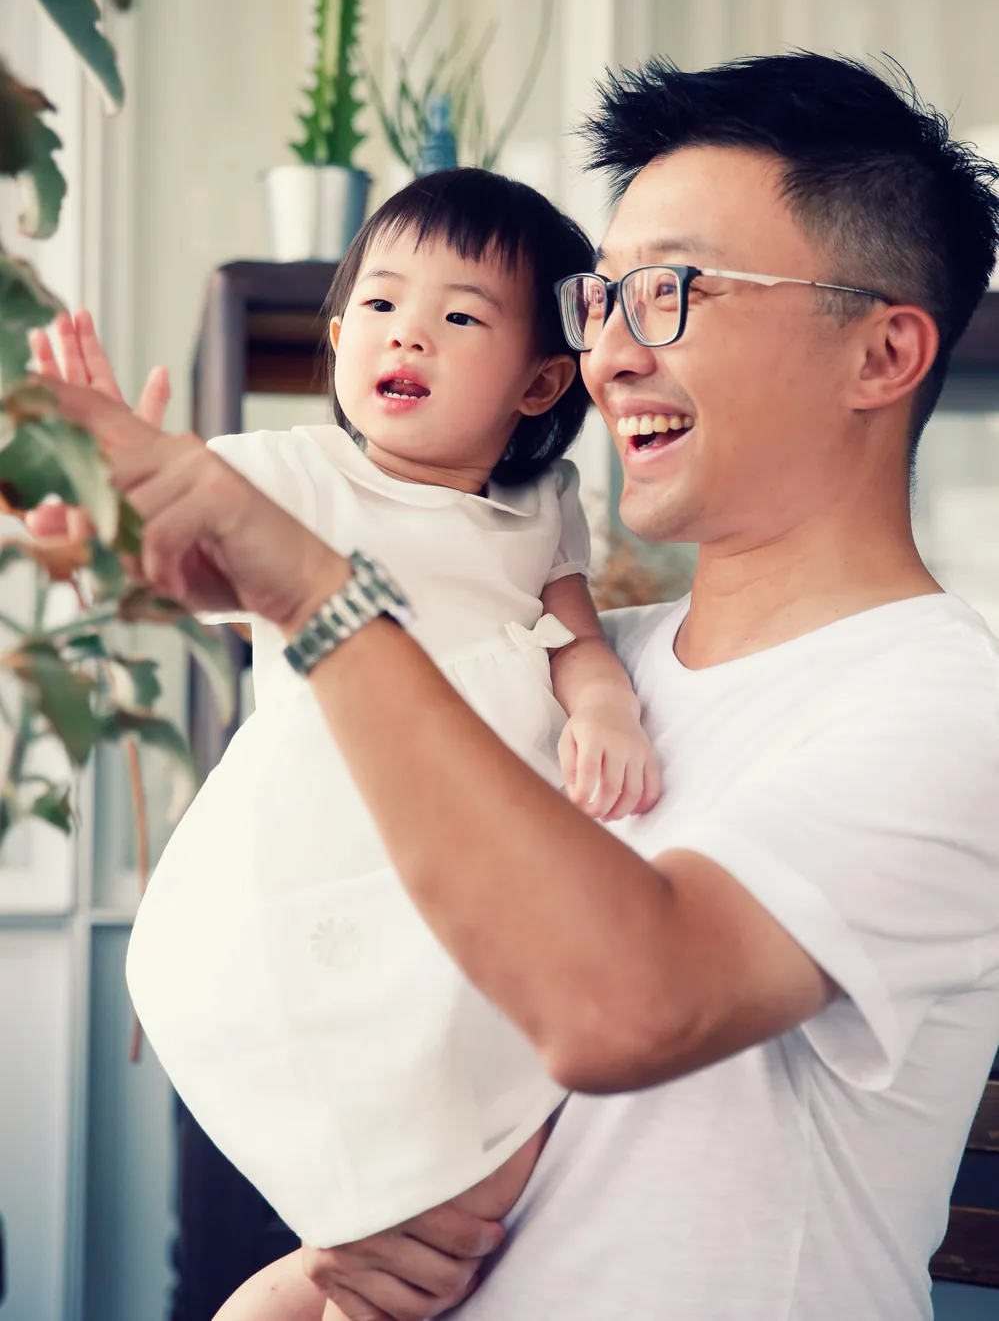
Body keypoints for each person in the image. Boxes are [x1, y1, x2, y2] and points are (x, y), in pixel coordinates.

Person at [36, 50, 999, 1321]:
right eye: (601, 299)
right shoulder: (565, 661)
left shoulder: (941, 706)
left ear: (883, 353)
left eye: (668, 293)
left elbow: (626, 1003)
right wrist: (335, 1256)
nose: (608, 354)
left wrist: (319, 593)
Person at [30, 168, 661, 1320]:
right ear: (335, 341)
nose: (406, 330)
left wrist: (604, 705)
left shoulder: (546, 506)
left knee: (475, 1177)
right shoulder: (294, 476)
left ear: (540, 381)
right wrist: (96, 505)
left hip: (469, 892)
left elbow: (573, 634)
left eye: (460, 315)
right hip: (325, 880)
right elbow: (163, 551)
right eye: (378, 305)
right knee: (414, 1221)